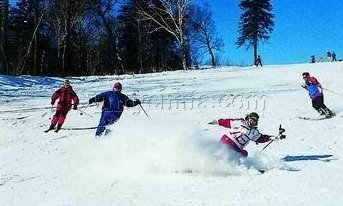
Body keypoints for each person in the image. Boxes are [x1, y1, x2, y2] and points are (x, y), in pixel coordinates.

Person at [209, 112, 285, 157]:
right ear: (248, 118)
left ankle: (232, 167)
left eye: (254, 121)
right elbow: (228, 122)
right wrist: (218, 122)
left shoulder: (254, 132)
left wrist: (271, 138)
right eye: (251, 119)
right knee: (222, 152)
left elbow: (260, 138)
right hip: (228, 140)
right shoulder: (241, 122)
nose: (252, 122)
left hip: (237, 148)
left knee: (244, 154)